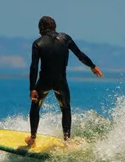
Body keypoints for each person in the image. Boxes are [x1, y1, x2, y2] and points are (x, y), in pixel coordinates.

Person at [26, 16, 103, 147]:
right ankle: (67, 141)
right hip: (60, 81)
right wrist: (92, 66)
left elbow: (34, 67)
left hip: (44, 81)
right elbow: (80, 55)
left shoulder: (37, 43)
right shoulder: (65, 38)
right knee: (65, 109)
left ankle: (33, 138)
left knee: (35, 106)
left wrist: (32, 88)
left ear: (41, 28)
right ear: (54, 25)